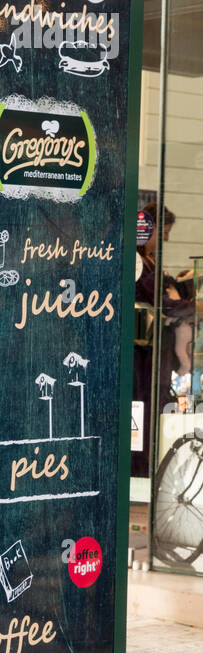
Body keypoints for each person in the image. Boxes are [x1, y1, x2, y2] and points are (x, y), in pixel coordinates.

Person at [133, 201, 194, 477]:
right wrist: (193, 307)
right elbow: (159, 303)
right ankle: (141, 472)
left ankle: (147, 471)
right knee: (144, 417)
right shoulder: (136, 262)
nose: (166, 237)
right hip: (143, 358)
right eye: (165, 231)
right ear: (151, 228)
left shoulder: (148, 261)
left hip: (155, 355)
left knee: (153, 415)